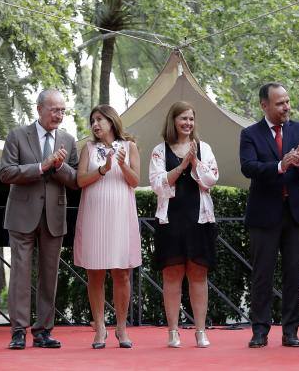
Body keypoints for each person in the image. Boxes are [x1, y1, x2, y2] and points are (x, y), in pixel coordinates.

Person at [240, 83, 299, 348]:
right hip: (264, 214)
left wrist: (298, 161)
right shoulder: (250, 133)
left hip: (296, 213)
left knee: (294, 274)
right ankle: (260, 331)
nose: (286, 107)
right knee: (262, 274)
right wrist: (278, 165)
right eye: (280, 103)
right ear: (265, 105)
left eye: (287, 101)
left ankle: (291, 331)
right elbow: (248, 167)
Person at [0, 89, 79, 350]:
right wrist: (41, 167)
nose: (59, 115)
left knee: (49, 276)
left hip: (54, 217)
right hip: (22, 216)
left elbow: (75, 180)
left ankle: (43, 331)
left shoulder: (68, 139)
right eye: (54, 109)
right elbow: (6, 173)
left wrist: (58, 166)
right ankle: (18, 331)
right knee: (20, 275)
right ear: (39, 109)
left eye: (62, 110)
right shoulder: (17, 136)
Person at [149, 101, 219, 349]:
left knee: (198, 274)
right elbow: (157, 184)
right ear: (173, 121)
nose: (188, 123)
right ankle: (173, 331)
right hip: (171, 221)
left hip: (198, 219)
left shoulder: (204, 148)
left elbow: (211, 180)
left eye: (191, 119)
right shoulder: (160, 150)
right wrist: (180, 166)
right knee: (172, 275)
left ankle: (200, 331)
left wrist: (194, 163)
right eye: (183, 119)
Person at [73, 104, 141, 349]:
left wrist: (122, 165)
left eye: (100, 119)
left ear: (112, 122)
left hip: (120, 215)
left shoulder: (129, 146)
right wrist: (103, 168)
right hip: (94, 215)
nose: (95, 124)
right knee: (95, 272)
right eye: (92, 120)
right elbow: (80, 180)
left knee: (122, 272)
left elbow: (135, 181)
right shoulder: (88, 149)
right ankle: (100, 327)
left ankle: (121, 328)